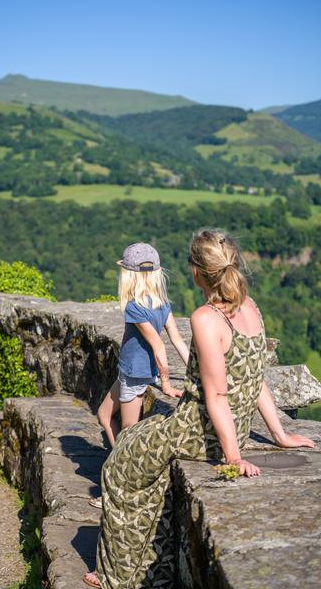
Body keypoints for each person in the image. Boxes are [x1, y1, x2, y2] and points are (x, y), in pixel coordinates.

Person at [83, 228, 315, 589]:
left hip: (195, 431)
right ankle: (153, 572)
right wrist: (279, 435)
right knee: (139, 452)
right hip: (229, 429)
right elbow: (255, 378)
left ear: (195, 272)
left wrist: (233, 458)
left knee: (119, 467)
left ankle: (117, 576)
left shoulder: (207, 318)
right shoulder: (250, 308)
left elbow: (217, 396)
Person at [89, 242, 189, 509]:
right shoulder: (163, 304)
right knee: (103, 415)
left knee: (128, 437)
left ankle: (121, 489)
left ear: (129, 275)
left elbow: (159, 346)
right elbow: (178, 340)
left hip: (134, 376)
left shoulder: (134, 307)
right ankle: (118, 470)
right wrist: (195, 371)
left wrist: (165, 384)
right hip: (129, 373)